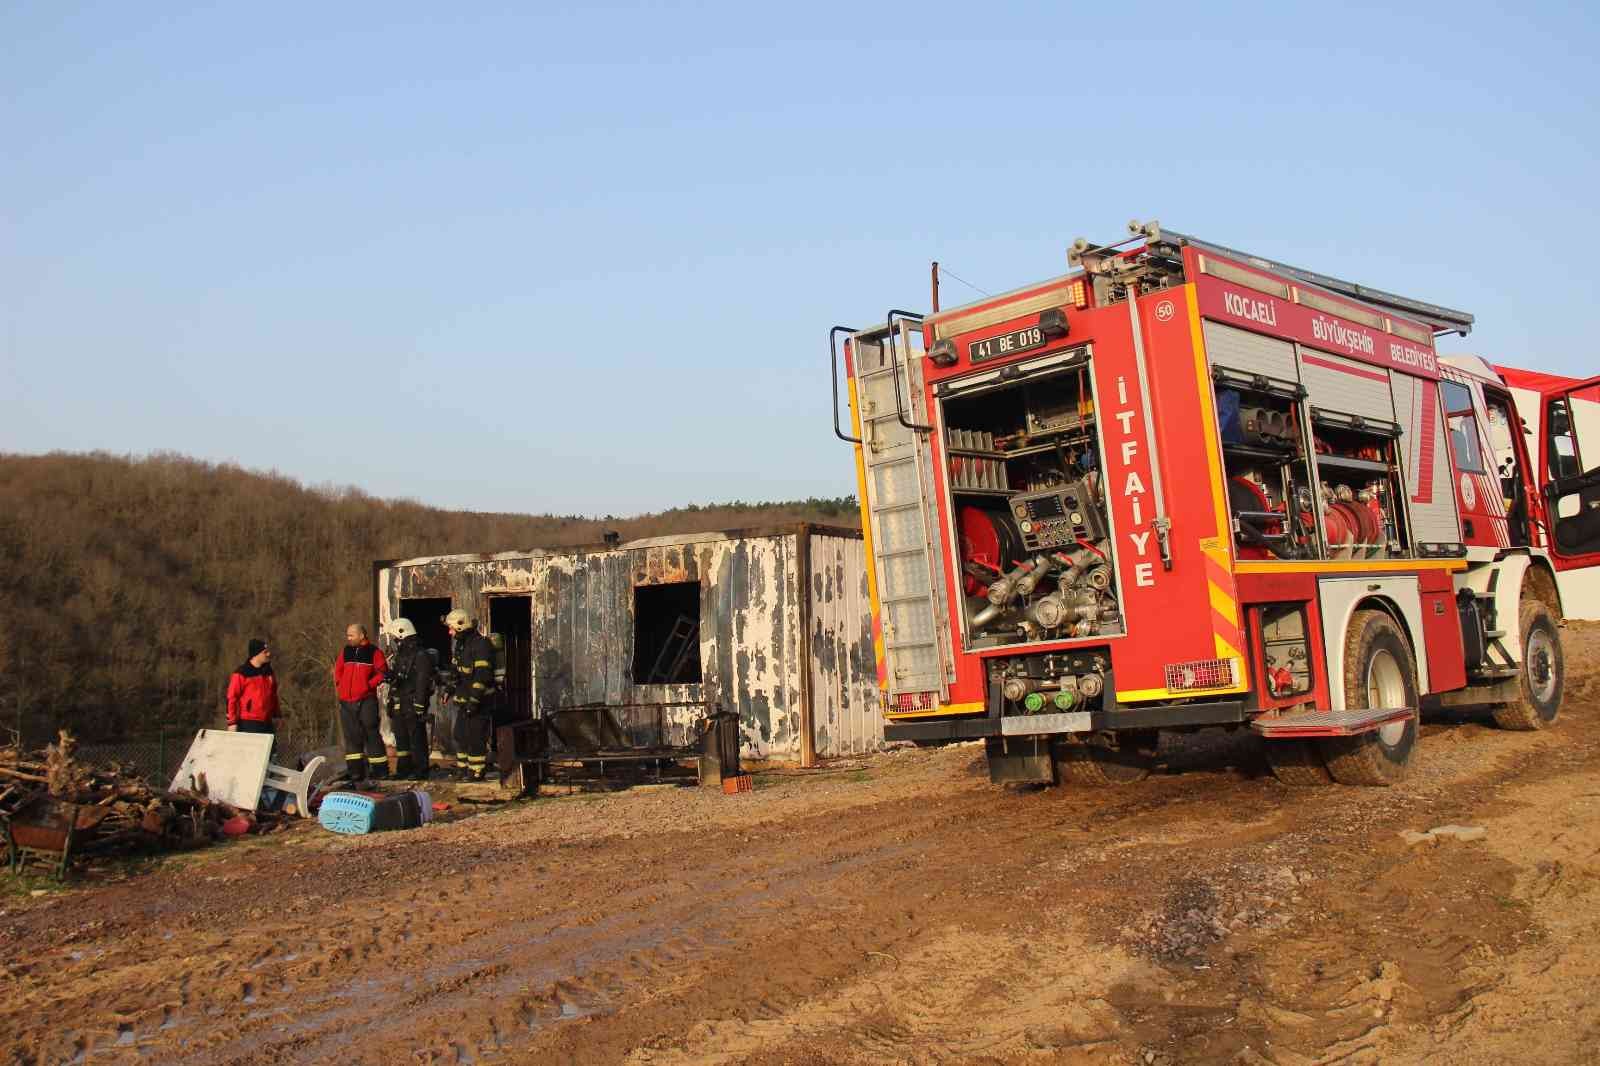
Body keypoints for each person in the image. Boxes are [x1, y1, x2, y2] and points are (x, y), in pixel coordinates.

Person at [445, 608, 496, 781]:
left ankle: (477, 770)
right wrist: (449, 689)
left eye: (451, 628)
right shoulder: (460, 645)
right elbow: (456, 672)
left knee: (476, 736)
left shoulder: (481, 644)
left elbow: (482, 674)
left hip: (479, 701)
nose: (449, 632)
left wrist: (474, 700)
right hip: (464, 700)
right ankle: (463, 769)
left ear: (461, 626)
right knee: (460, 734)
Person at [334, 623, 388, 783]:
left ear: (361, 635)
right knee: (351, 737)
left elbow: (383, 672)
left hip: (366, 700)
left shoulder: (374, 652)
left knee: (371, 733)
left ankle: (380, 771)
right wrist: (340, 685)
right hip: (346, 701)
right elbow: (338, 670)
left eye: (351, 635)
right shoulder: (346, 651)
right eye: (348, 635)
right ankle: (356, 773)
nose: (348, 638)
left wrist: (368, 686)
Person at [384, 618, 434, 780]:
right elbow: (399, 680)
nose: (394, 641)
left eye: (395, 638)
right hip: (400, 701)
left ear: (402, 634)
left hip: (413, 702)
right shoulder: (400, 656)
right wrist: (391, 696)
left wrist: (419, 704)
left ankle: (421, 770)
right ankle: (403, 770)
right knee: (401, 737)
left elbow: (422, 681)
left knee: (416, 737)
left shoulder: (421, 655)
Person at [226, 639, 279, 736]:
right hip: (248, 723)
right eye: (265, 652)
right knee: (251, 751)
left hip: (268, 723)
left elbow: (274, 695)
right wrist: (232, 723)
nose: (268, 654)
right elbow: (231, 698)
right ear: (256, 654)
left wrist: (276, 715)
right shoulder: (241, 673)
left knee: (271, 751)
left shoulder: (269, 672)